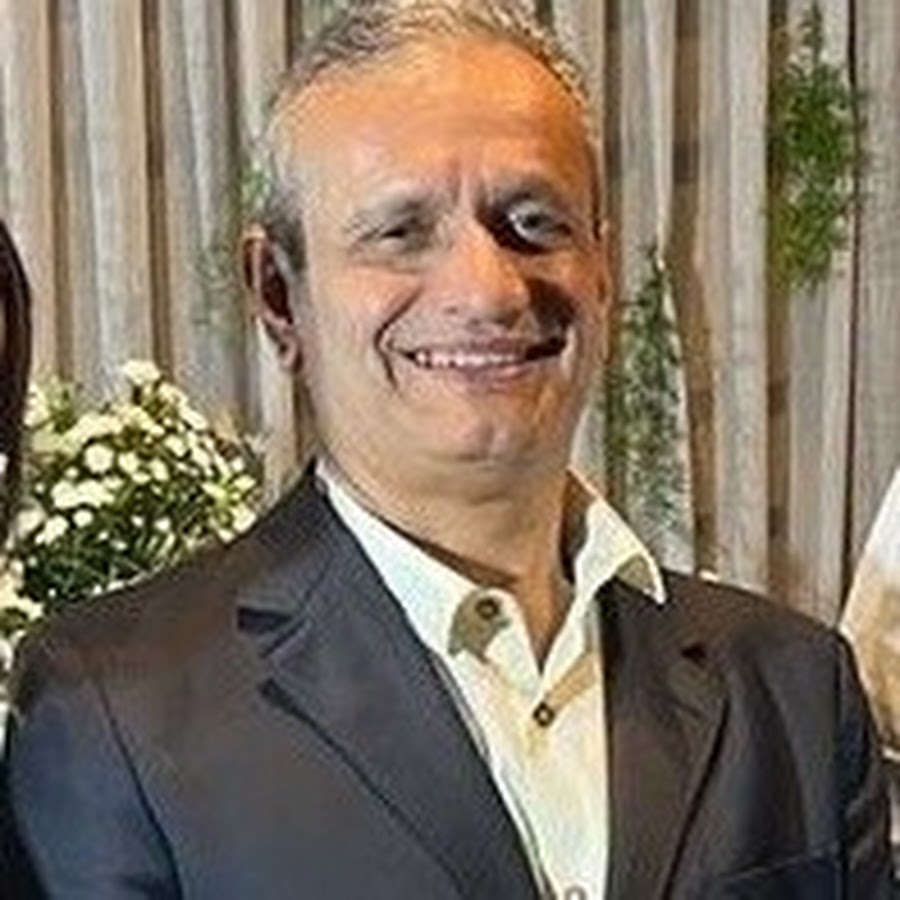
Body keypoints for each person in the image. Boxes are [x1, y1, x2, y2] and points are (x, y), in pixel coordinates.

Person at [4, 1, 891, 897]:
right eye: (401, 232)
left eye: (534, 222)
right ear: (278, 295)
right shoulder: (116, 708)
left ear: (603, 269)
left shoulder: (794, 692)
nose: (488, 289)